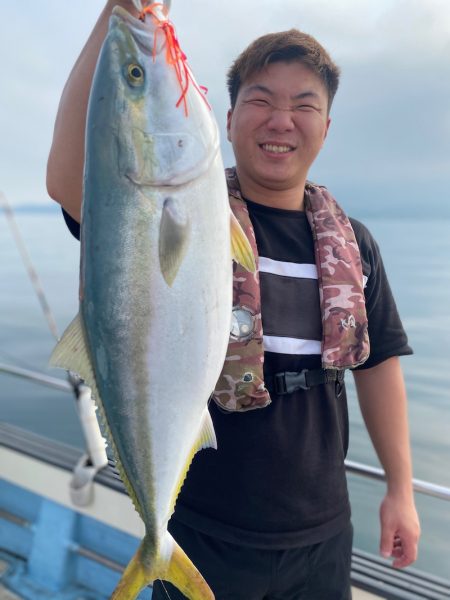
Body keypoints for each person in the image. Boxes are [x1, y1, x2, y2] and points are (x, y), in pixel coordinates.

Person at [47, 1, 421, 598]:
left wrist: (400, 489)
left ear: (326, 127)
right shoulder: (180, 213)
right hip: (205, 529)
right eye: (261, 100)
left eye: (304, 106)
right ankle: (155, 541)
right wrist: (119, 17)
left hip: (322, 535)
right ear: (225, 118)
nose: (281, 120)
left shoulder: (355, 245)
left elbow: (378, 368)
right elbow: (71, 179)